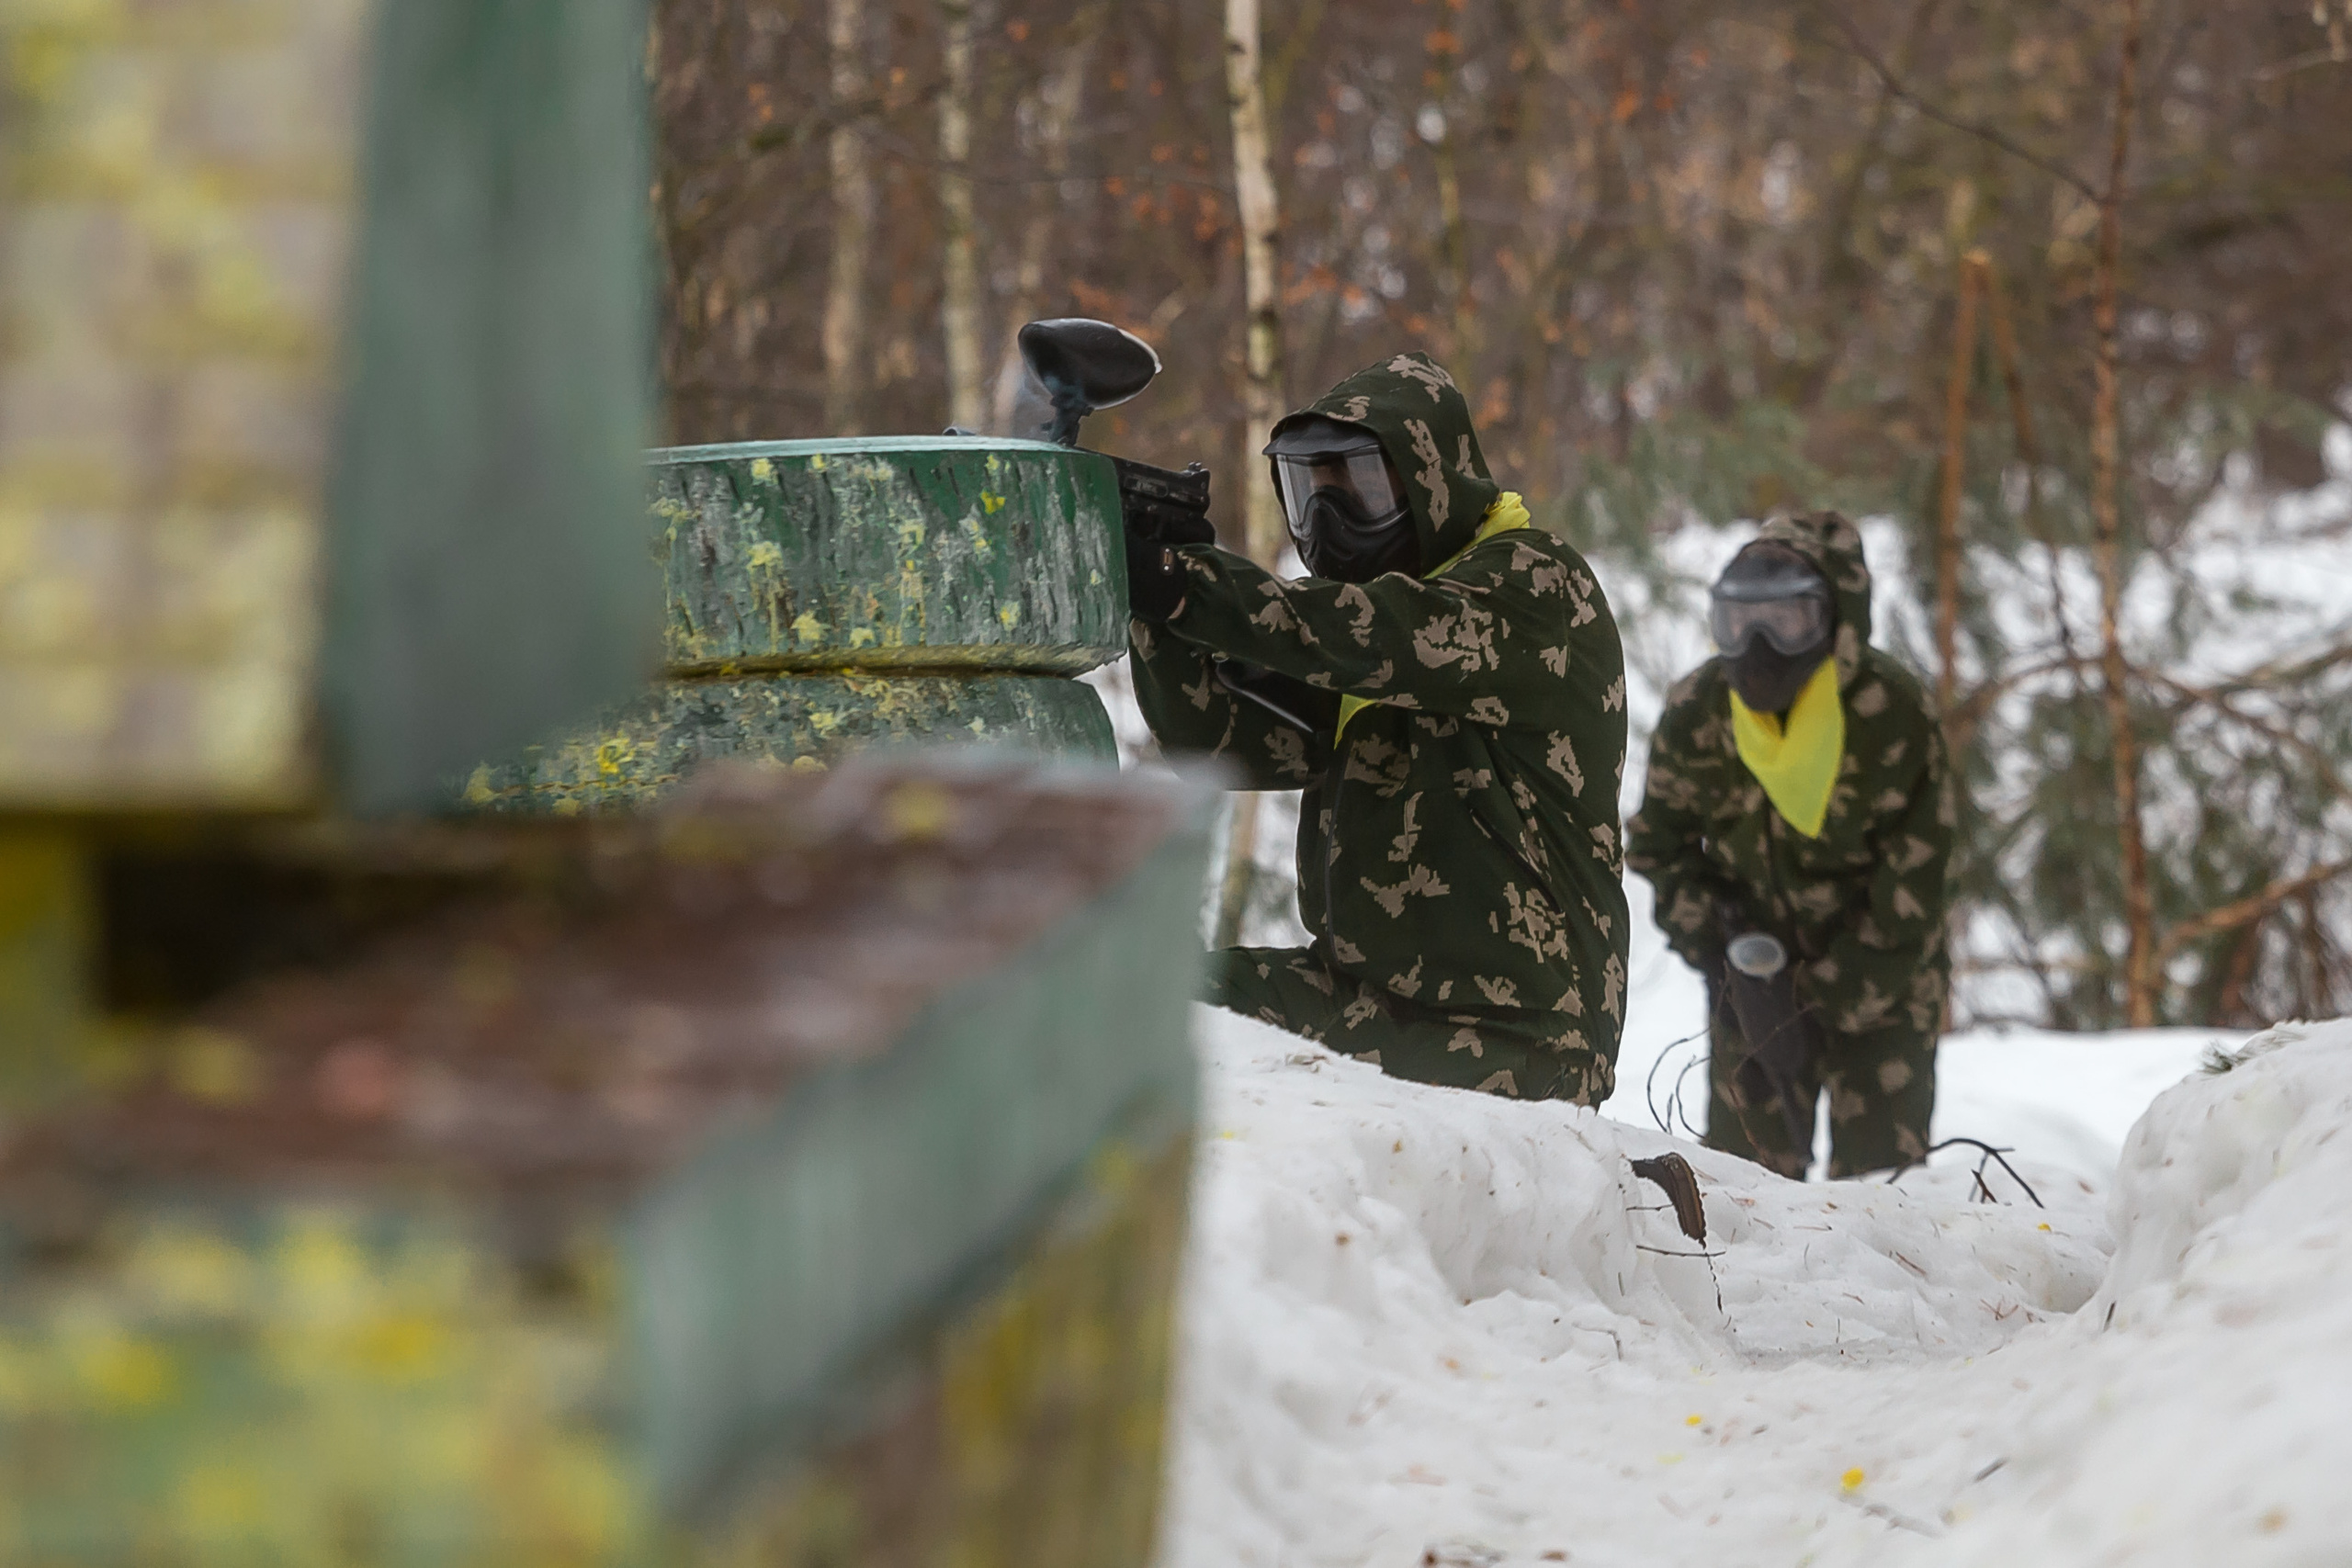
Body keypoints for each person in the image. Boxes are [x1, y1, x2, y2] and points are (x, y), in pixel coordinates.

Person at [1124, 353, 1629, 1103]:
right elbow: (1215, 739)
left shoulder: (1532, 586)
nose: (1327, 521)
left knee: (1220, 1065)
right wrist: (1155, 608)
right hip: (1371, 999)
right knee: (1144, 999)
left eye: (1356, 488)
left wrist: (1186, 582)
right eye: (1308, 492)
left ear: (1434, 484)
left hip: (1522, 1034)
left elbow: (1380, 634)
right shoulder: (1366, 649)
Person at [1624, 512, 1955, 1178]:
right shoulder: (1701, 710)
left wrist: (1819, 993)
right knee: (1744, 1204)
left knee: (1885, 1208)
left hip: (1879, 993)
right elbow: (1659, 846)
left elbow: (1917, 886)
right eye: (1739, 621)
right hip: (1751, 990)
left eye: (1788, 619)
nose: (1759, 645)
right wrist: (1722, 952)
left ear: (1835, 620)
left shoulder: (1891, 713)